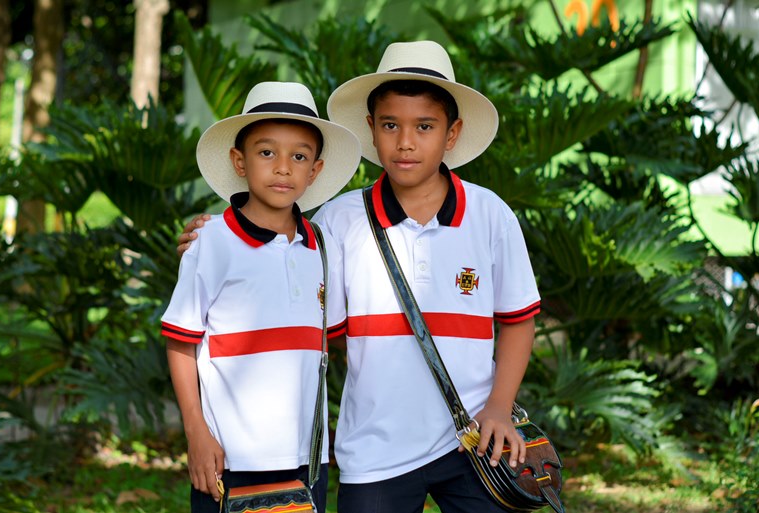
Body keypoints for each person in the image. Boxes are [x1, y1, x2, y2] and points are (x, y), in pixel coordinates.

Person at [178, 41, 540, 513]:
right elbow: (278, 257)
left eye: (424, 127)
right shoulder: (337, 222)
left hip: (475, 439)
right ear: (371, 129)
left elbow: (518, 319)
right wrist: (212, 236)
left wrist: (498, 407)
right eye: (390, 125)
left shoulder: (491, 215)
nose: (405, 142)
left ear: (452, 134)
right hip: (375, 450)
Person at [162, 81, 360, 513]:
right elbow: (181, 341)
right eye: (267, 152)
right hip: (229, 457)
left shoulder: (323, 249)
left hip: (308, 459)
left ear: (316, 170)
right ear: (239, 160)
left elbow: (334, 340)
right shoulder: (210, 241)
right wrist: (196, 433)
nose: (284, 168)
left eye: (299, 156)